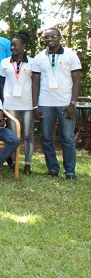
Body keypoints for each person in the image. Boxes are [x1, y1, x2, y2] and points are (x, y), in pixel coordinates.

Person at [32, 28, 82, 179]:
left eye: (53, 36)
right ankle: (53, 168)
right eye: (47, 37)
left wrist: (73, 103)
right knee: (46, 138)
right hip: (45, 103)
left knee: (67, 138)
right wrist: (35, 106)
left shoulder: (70, 56)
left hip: (65, 103)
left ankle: (70, 171)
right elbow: (35, 83)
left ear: (60, 37)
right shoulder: (39, 58)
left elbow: (77, 80)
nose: (49, 39)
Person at [0, 31, 34, 175]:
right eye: (11, 45)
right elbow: (2, 83)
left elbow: (36, 82)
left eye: (15, 45)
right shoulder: (5, 62)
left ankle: (27, 164)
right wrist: (3, 100)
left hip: (27, 103)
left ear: (24, 46)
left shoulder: (32, 62)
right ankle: (13, 162)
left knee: (27, 134)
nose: (12, 48)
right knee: (13, 135)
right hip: (10, 103)